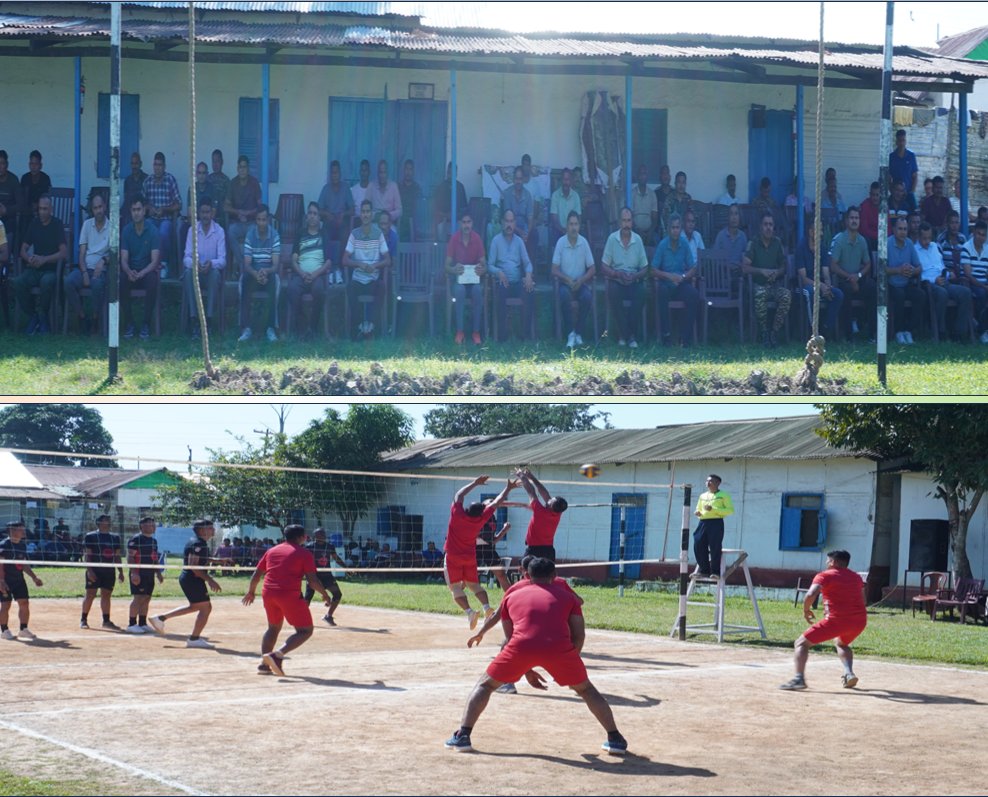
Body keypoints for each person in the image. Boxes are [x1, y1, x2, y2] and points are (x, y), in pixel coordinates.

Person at [445, 557, 627, 755]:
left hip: (520, 646)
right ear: (554, 576)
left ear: (527, 576)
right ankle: (615, 739)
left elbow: (511, 637)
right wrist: (572, 659)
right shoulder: (568, 596)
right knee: (587, 691)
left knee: (485, 685)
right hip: (559, 648)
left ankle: (463, 735)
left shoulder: (512, 595)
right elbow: (579, 634)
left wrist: (526, 669)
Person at [242, 524, 331, 676]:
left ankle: (264, 665)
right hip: (288, 594)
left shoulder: (272, 551)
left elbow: (257, 574)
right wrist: (325, 594)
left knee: (273, 628)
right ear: (301, 537)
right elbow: (312, 580)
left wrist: (251, 592)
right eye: (305, 536)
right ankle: (277, 655)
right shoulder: (304, 553)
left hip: (268, 593)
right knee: (305, 630)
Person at [780, 549, 866, 691]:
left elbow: (811, 593)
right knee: (841, 643)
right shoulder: (856, 577)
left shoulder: (824, 576)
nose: (826, 563)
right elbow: (864, 600)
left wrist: (806, 610)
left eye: (828, 560)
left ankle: (798, 679)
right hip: (859, 621)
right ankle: (849, 673)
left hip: (837, 620)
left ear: (833, 562)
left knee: (801, 643)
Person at [443, 475, 517, 629]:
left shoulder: (457, 515)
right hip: (470, 556)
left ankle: (470, 612)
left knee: (455, 587)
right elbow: (497, 503)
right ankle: (486, 608)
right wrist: (508, 488)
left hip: (453, 556)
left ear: (466, 510)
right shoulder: (481, 519)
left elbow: (459, 495)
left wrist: (475, 483)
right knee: (474, 585)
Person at [148, 519, 222, 648]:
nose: (213, 530)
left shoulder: (198, 542)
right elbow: (193, 566)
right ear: (202, 530)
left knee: (195, 606)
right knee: (206, 608)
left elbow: (198, 559)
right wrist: (211, 580)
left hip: (191, 578)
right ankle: (194, 639)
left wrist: (217, 560)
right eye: (210, 528)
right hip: (192, 578)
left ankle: (160, 618)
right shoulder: (198, 543)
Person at [15, 194, 67, 335]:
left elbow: (63, 253)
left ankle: (43, 315)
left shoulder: (57, 224)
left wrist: (45, 259)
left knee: (47, 281)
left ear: (51, 209)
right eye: (40, 209)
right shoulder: (34, 223)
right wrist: (29, 258)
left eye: (45, 209)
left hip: (50, 269)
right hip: (35, 268)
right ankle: (34, 315)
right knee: (18, 282)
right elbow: (23, 250)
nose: (42, 212)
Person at [916, 221, 973, 342]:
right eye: (924, 238)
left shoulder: (935, 246)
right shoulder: (915, 250)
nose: (927, 241)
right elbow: (918, 274)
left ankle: (959, 332)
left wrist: (948, 273)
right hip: (928, 284)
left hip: (944, 280)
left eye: (929, 238)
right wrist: (934, 280)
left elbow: (941, 266)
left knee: (965, 292)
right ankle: (940, 331)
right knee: (942, 293)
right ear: (919, 237)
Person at [343, 199, 390, 339]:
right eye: (363, 212)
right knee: (350, 287)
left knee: (382, 286)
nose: (365, 215)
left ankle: (371, 327)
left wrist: (374, 266)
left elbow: (388, 259)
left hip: (372, 280)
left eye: (368, 211)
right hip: (358, 279)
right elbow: (344, 259)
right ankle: (358, 327)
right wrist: (359, 264)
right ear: (360, 214)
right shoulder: (354, 234)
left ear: (372, 214)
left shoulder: (378, 234)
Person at [601, 206, 648, 348]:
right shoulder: (612, 239)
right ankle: (629, 336)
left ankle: (624, 335)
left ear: (632, 222)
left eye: (629, 221)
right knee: (613, 292)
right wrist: (617, 274)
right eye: (624, 221)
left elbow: (645, 267)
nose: (626, 224)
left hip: (633, 279)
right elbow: (603, 266)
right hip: (617, 279)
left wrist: (635, 276)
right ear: (619, 223)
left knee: (642, 292)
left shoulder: (638, 240)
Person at [65, 191, 110, 335]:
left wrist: (103, 260)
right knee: (69, 281)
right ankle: (83, 317)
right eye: (95, 208)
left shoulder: (112, 227)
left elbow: (116, 254)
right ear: (92, 210)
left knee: (97, 284)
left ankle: (96, 319)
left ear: (105, 206)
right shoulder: (86, 225)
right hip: (85, 268)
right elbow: (82, 253)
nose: (98, 210)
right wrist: (83, 271)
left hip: (102, 271)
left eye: (100, 207)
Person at [742, 211, 790, 348]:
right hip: (759, 285)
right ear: (760, 227)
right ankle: (763, 332)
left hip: (774, 285)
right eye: (765, 224)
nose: (768, 227)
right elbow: (745, 267)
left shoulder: (777, 243)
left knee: (786, 295)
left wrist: (778, 272)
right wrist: (761, 271)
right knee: (760, 294)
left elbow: (784, 265)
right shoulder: (753, 243)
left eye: (771, 225)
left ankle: (773, 333)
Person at [487, 208, 535, 341]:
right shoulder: (496, 241)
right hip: (503, 283)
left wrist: (529, 275)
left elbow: (527, 263)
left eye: (511, 221)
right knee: (500, 293)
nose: (509, 225)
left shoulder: (519, 241)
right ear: (502, 223)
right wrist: (499, 272)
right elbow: (489, 265)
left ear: (515, 223)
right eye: (506, 221)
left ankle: (525, 335)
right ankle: (502, 336)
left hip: (517, 281)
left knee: (529, 291)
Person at [653, 212, 701, 347]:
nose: (675, 230)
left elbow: (693, 268)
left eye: (678, 227)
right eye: (673, 227)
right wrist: (669, 276)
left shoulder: (684, 244)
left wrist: (683, 277)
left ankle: (684, 338)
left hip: (680, 282)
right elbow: (653, 269)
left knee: (693, 294)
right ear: (669, 229)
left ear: (681, 229)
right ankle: (666, 335)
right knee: (661, 292)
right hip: (666, 283)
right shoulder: (663, 245)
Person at [182, 196, 227, 338]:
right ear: (198, 213)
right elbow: (186, 257)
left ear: (212, 213)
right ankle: (194, 319)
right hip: (197, 273)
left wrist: (211, 263)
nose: (205, 215)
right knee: (188, 274)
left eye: (208, 212)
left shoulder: (219, 231)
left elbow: (223, 260)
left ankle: (208, 319)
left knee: (215, 274)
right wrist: (195, 264)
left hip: (211, 273)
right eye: (202, 212)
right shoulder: (192, 230)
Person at [829, 205, 875, 341]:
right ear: (846, 221)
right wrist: (849, 277)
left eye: (857, 218)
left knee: (873, 288)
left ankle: (872, 334)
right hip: (843, 279)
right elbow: (833, 265)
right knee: (845, 292)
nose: (854, 221)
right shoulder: (839, 240)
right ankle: (848, 334)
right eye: (852, 218)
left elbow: (868, 264)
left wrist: (858, 276)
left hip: (858, 278)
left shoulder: (862, 241)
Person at [287, 201, 332, 338]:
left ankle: (312, 328)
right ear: (306, 216)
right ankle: (301, 327)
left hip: (317, 276)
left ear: (319, 218)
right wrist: (302, 273)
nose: (312, 216)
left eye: (315, 214)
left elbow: (329, 261)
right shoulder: (300, 234)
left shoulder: (324, 234)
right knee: (292, 289)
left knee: (319, 291)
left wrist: (314, 274)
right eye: (310, 213)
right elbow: (293, 259)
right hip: (300, 275)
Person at [551, 210, 595, 349]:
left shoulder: (584, 242)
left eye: (576, 224)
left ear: (579, 226)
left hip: (580, 283)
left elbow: (593, 268)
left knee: (587, 297)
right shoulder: (560, 242)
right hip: (566, 283)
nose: (574, 227)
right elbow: (554, 269)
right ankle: (570, 333)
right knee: (563, 295)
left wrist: (581, 280)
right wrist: (567, 279)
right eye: (571, 224)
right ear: (567, 226)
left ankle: (578, 333)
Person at [120, 195, 162, 340]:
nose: (136, 213)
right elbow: (123, 259)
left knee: (152, 280)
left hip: (146, 271)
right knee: (121, 280)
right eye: (133, 210)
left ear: (144, 211)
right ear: (130, 212)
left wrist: (142, 272)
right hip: (131, 271)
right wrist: (128, 271)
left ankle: (146, 324)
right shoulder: (126, 231)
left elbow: (155, 261)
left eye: (139, 209)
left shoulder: (153, 231)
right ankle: (129, 322)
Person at [238, 203, 281, 343]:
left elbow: (275, 265)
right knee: (244, 281)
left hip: (268, 272)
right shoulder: (250, 234)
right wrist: (256, 274)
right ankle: (246, 328)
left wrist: (266, 272)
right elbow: (247, 264)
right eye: (259, 219)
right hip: (253, 273)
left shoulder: (274, 235)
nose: (261, 223)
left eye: (264, 219)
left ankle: (270, 328)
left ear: (268, 219)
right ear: (255, 220)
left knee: (274, 282)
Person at [445, 207, 487, 345]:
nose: (466, 225)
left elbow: (484, 264)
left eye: (468, 222)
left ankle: (476, 332)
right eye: (464, 222)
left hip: (474, 280)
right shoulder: (454, 239)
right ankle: (460, 331)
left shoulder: (477, 239)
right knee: (459, 290)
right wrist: (453, 269)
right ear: (459, 224)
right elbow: (446, 266)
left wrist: (481, 269)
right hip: (459, 280)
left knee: (477, 290)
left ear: (472, 223)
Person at [794, 231, 843, 341]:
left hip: (821, 286)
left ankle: (826, 330)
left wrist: (828, 287)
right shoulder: (801, 248)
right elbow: (804, 278)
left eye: (821, 230)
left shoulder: (822, 248)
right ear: (810, 231)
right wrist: (821, 286)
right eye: (817, 229)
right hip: (804, 286)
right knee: (810, 293)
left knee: (838, 294)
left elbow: (826, 273)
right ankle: (812, 332)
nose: (820, 233)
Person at [80, 514, 124, 630]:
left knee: (106, 595)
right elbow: (87, 555)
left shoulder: (115, 538)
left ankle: (106, 620)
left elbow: (117, 556)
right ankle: (83, 620)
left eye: (109, 521)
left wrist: (121, 571)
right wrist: (89, 570)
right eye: (105, 521)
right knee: (90, 594)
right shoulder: (91, 536)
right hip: (95, 569)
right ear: (98, 523)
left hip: (109, 571)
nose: (107, 523)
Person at [0, 521, 43, 641]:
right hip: (5, 579)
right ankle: (4, 630)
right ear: (12, 531)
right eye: (21, 529)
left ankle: (23, 629)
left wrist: (34, 577)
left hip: (19, 579)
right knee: (5, 604)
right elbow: (0, 565)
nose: (23, 531)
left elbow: (23, 564)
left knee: (24, 603)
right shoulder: (4, 545)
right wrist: (1, 581)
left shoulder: (22, 545)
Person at [885, 216, 924, 345]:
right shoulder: (887, 243)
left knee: (920, 295)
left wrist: (912, 270)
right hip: (891, 284)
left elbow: (919, 267)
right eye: (900, 229)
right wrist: (898, 270)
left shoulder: (910, 244)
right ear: (894, 230)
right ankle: (898, 331)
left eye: (905, 229)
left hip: (906, 283)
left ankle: (909, 330)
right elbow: (881, 269)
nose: (903, 232)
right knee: (899, 295)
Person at [142, 152, 181, 272]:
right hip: (151, 218)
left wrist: (164, 209)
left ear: (164, 166)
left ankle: (163, 264)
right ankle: (148, 263)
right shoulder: (147, 181)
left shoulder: (170, 180)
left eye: (160, 165)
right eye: (155, 164)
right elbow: (142, 203)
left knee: (163, 232)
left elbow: (179, 204)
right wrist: (150, 208)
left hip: (166, 219)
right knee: (147, 230)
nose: (157, 167)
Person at [517, 468, 567, 561]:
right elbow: (544, 492)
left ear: (550, 505)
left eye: (550, 500)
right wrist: (532, 477)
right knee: (547, 575)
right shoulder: (557, 513)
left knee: (525, 571)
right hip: (548, 550)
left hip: (534, 550)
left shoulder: (540, 511)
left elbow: (531, 491)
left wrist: (522, 476)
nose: (549, 499)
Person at [125, 516, 164, 634]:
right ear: (142, 526)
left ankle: (142, 623)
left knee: (147, 598)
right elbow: (130, 557)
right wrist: (134, 573)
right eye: (150, 524)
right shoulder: (136, 539)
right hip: (139, 573)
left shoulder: (153, 541)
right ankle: (131, 624)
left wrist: (158, 572)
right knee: (138, 598)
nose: (153, 526)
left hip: (149, 573)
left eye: (153, 524)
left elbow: (154, 558)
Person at [691, 475, 734, 581]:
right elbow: (699, 508)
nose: (708, 483)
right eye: (707, 481)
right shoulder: (702, 496)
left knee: (715, 546)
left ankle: (715, 571)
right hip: (703, 522)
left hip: (716, 522)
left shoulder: (724, 495)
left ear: (718, 483)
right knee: (698, 542)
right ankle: (704, 570)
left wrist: (713, 509)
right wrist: (697, 512)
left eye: (711, 481)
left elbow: (730, 510)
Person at [225, 155, 262, 275]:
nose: (242, 170)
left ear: (248, 169)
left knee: (252, 234)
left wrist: (248, 213)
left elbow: (260, 207)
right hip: (237, 222)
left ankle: (250, 265)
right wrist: (239, 212)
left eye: (244, 167)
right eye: (240, 167)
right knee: (230, 232)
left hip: (251, 222)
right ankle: (242, 265)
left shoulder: (254, 183)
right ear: (237, 168)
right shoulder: (232, 183)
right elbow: (226, 206)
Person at [303, 528, 346, 626]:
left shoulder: (329, 546)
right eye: (320, 534)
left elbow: (336, 558)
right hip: (313, 575)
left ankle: (328, 616)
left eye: (323, 534)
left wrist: (346, 568)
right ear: (315, 536)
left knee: (337, 594)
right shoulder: (309, 547)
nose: (323, 536)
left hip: (326, 575)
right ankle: (302, 619)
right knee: (308, 598)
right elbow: (304, 561)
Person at [317, 160, 353, 270]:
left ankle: (341, 268)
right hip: (329, 222)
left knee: (345, 236)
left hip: (342, 222)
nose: (334, 175)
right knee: (324, 235)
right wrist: (327, 214)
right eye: (332, 173)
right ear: (330, 174)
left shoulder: (346, 188)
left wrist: (344, 214)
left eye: (336, 173)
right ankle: (329, 268)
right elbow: (318, 209)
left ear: (340, 174)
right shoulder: (326, 189)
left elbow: (352, 210)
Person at [500, 166, 537, 267]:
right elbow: (506, 218)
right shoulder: (507, 193)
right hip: (511, 224)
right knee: (509, 228)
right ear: (513, 179)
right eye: (516, 178)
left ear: (523, 180)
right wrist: (520, 232)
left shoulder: (528, 195)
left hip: (524, 225)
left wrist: (527, 233)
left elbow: (530, 217)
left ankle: (530, 270)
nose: (518, 181)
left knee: (534, 234)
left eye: (520, 179)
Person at [960, 220, 988, 343]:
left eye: (983, 234)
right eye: (979, 233)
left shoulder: (987, 248)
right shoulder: (966, 248)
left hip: (984, 283)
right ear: (973, 233)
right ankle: (982, 331)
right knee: (983, 294)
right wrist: (984, 286)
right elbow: (968, 274)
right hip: (971, 284)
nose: (981, 237)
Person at [19, 150, 51, 239]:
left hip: (41, 210)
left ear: (40, 165)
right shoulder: (25, 178)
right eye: (31, 164)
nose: (33, 167)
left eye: (36, 164)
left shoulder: (45, 178)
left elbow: (47, 196)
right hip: (27, 211)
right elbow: (22, 196)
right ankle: (22, 250)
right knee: (22, 222)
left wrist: (38, 206)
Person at [434, 161, 468, 242]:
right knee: (440, 229)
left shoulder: (460, 187)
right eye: (449, 172)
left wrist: (455, 216)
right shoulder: (441, 187)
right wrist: (446, 215)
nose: (451, 174)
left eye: (453, 172)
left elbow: (465, 209)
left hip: (457, 220)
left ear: (456, 173)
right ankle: (442, 250)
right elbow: (435, 209)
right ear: (447, 172)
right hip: (443, 220)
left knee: (462, 228)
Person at [549, 168, 581, 250]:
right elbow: (554, 219)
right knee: (554, 235)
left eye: (568, 180)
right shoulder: (555, 196)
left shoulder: (576, 196)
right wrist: (564, 231)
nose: (565, 182)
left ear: (571, 181)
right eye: (564, 179)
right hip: (559, 230)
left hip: (573, 230)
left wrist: (571, 231)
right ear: (561, 181)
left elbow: (578, 218)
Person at [476, 520, 511, 591]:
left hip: (488, 549)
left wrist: (504, 530)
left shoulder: (492, 518)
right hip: (474, 549)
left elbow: (493, 540)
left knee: (501, 574)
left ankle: (511, 597)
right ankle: (457, 592)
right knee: (468, 579)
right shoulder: (476, 513)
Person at [367, 159, 402, 228]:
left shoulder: (393, 186)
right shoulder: (371, 186)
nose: (382, 175)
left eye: (384, 172)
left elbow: (400, 211)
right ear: (377, 173)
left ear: (387, 173)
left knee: (392, 234)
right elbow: (365, 208)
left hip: (389, 224)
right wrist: (375, 215)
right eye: (380, 172)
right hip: (374, 224)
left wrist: (388, 215)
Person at [713, 203, 748, 268]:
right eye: (731, 214)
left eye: (736, 214)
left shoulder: (743, 236)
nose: (734, 217)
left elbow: (745, 259)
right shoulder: (720, 236)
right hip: (723, 273)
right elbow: (715, 259)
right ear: (728, 217)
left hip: (739, 273)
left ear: (739, 217)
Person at [631, 164, 658, 244]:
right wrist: (638, 231)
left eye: (644, 174)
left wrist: (650, 232)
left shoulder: (652, 194)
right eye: (640, 174)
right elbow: (630, 217)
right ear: (637, 176)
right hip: (634, 231)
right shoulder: (632, 194)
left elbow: (655, 218)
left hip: (649, 232)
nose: (643, 176)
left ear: (647, 177)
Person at [661, 170, 692, 239]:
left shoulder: (688, 198)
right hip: (672, 230)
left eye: (683, 182)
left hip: (685, 231)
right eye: (679, 182)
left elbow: (690, 217)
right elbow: (665, 219)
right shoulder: (669, 198)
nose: (681, 185)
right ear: (675, 183)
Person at [0, 150, 21, 248]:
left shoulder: (13, 180)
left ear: (7, 165)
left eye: (2, 163)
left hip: (8, 219)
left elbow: (21, 204)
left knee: (7, 226)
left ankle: (5, 259)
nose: (0, 166)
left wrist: (6, 210)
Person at [888, 128, 919, 197]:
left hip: (908, 194)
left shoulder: (911, 156)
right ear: (896, 142)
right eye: (899, 141)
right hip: (895, 196)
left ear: (906, 141)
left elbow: (915, 176)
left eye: (903, 140)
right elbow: (888, 178)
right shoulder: (891, 157)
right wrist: (892, 192)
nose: (901, 143)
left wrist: (912, 192)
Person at [206, 149, 231, 227]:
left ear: (222, 162)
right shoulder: (207, 179)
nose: (215, 164)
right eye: (213, 161)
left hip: (221, 216)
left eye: (217, 161)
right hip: (208, 214)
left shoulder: (226, 181)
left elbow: (228, 201)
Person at [397, 159, 421, 242]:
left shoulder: (417, 188)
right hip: (401, 221)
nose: (408, 172)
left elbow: (419, 208)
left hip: (414, 222)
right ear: (403, 171)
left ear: (413, 171)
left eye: (410, 169)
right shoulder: (398, 187)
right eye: (406, 169)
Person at [858, 181, 882, 252]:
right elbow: (864, 230)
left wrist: (881, 237)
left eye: (877, 195)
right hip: (869, 238)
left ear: (880, 195)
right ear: (869, 194)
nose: (875, 197)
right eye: (873, 195)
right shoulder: (865, 205)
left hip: (880, 237)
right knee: (866, 240)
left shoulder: (884, 206)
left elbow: (888, 229)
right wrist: (879, 235)